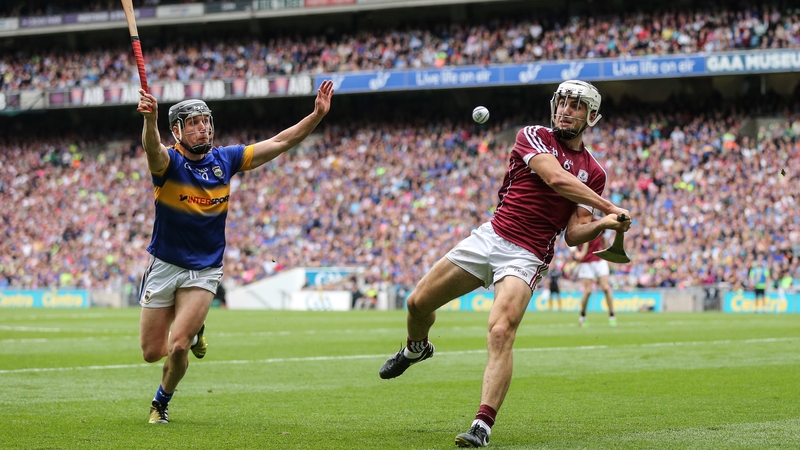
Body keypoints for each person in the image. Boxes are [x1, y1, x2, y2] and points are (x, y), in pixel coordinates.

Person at [378, 80, 631, 447]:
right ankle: (416, 348)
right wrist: (610, 209)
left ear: (592, 116)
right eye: (562, 102)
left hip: (527, 254)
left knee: (500, 331)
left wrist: (603, 224)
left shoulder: (594, 172)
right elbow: (554, 178)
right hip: (491, 237)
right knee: (417, 303)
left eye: (577, 106)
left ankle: (481, 425)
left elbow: (574, 234)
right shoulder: (533, 135)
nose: (566, 110)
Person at [136, 80, 334, 424]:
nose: (203, 128)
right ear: (178, 131)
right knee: (153, 352)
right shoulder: (167, 164)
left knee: (179, 345)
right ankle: (197, 329)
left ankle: (161, 402)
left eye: (206, 121)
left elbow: (281, 141)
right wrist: (150, 121)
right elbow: (152, 149)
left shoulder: (225, 160)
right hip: (165, 265)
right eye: (194, 123)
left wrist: (316, 115)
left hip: (205, 269)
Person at [573, 226, 616, 327]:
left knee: (606, 287)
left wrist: (607, 256)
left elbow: (604, 238)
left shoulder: (599, 221)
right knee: (588, 291)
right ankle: (582, 317)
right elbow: (570, 239)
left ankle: (612, 316)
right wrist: (576, 252)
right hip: (585, 261)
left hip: (600, 259)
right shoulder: (580, 223)